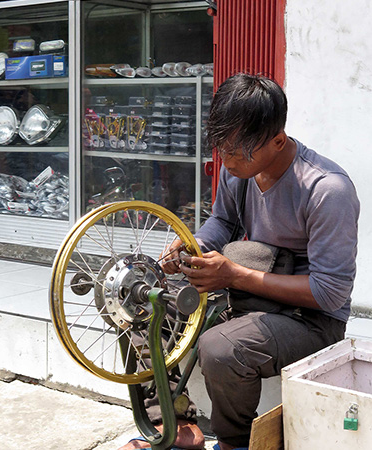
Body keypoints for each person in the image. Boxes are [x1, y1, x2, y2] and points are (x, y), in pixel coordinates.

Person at [120, 73, 360, 450]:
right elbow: (223, 221)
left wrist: (234, 274)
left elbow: (328, 294)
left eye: (237, 151)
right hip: (252, 293)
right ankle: (175, 423)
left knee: (221, 348)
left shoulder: (327, 189)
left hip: (310, 320)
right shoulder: (240, 171)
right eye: (222, 148)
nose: (227, 160)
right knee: (141, 304)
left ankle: (234, 443)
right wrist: (192, 246)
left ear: (278, 141)